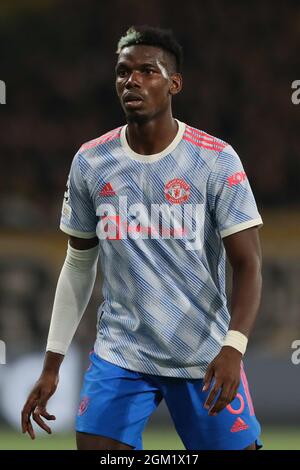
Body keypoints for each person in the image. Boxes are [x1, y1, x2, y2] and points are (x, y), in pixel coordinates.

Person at [21, 25, 263, 451]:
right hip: (122, 353)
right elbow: (78, 264)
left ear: (174, 84)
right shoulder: (92, 161)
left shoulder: (214, 160)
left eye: (147, 71)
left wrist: (234, 348)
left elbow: (248, 265)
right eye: (123, 71)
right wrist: (52, 365)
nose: (131, 80)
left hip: (203, 353)